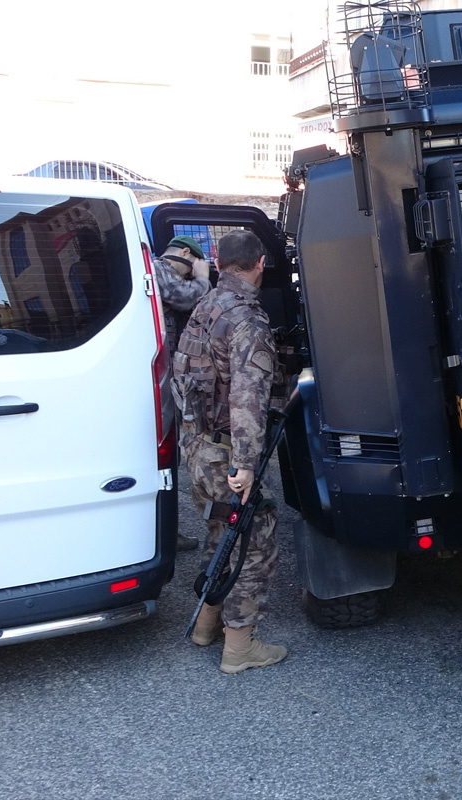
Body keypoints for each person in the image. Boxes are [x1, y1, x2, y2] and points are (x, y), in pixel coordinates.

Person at [171, 230, 286, 672]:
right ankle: (240, 646)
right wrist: (246, 464)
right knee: (255, 538)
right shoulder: (246, 320)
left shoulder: (204, 306)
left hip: (198, 444)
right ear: (260, 263)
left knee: (223, 529)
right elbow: (247, 398)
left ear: (218, 262)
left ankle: (205, 623)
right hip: (225, 451)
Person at [156, 234, 212, 552]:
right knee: (162, 460)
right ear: (187, 254)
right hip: (156, 379)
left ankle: (167, 534)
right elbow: (185, 297)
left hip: (166, 379)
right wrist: (203, 280)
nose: (192, 275)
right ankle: (163, 537)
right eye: (192, 268)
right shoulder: (159, 268)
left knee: (168, 460)